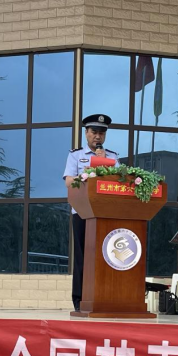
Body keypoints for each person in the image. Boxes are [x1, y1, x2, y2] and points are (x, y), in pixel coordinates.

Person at [63, 114, 119, 311]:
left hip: (104, 213)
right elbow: (68, 181)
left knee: (104, 256)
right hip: (82, 212)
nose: (98, 136)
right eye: (94, 132)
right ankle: (79, 300)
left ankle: (102, 297)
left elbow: (120, 181)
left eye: (101, 133)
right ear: (86, 133)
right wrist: (86, 174)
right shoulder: (75, 155)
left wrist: (103, 163)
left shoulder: (112, 156)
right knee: (82, 256)